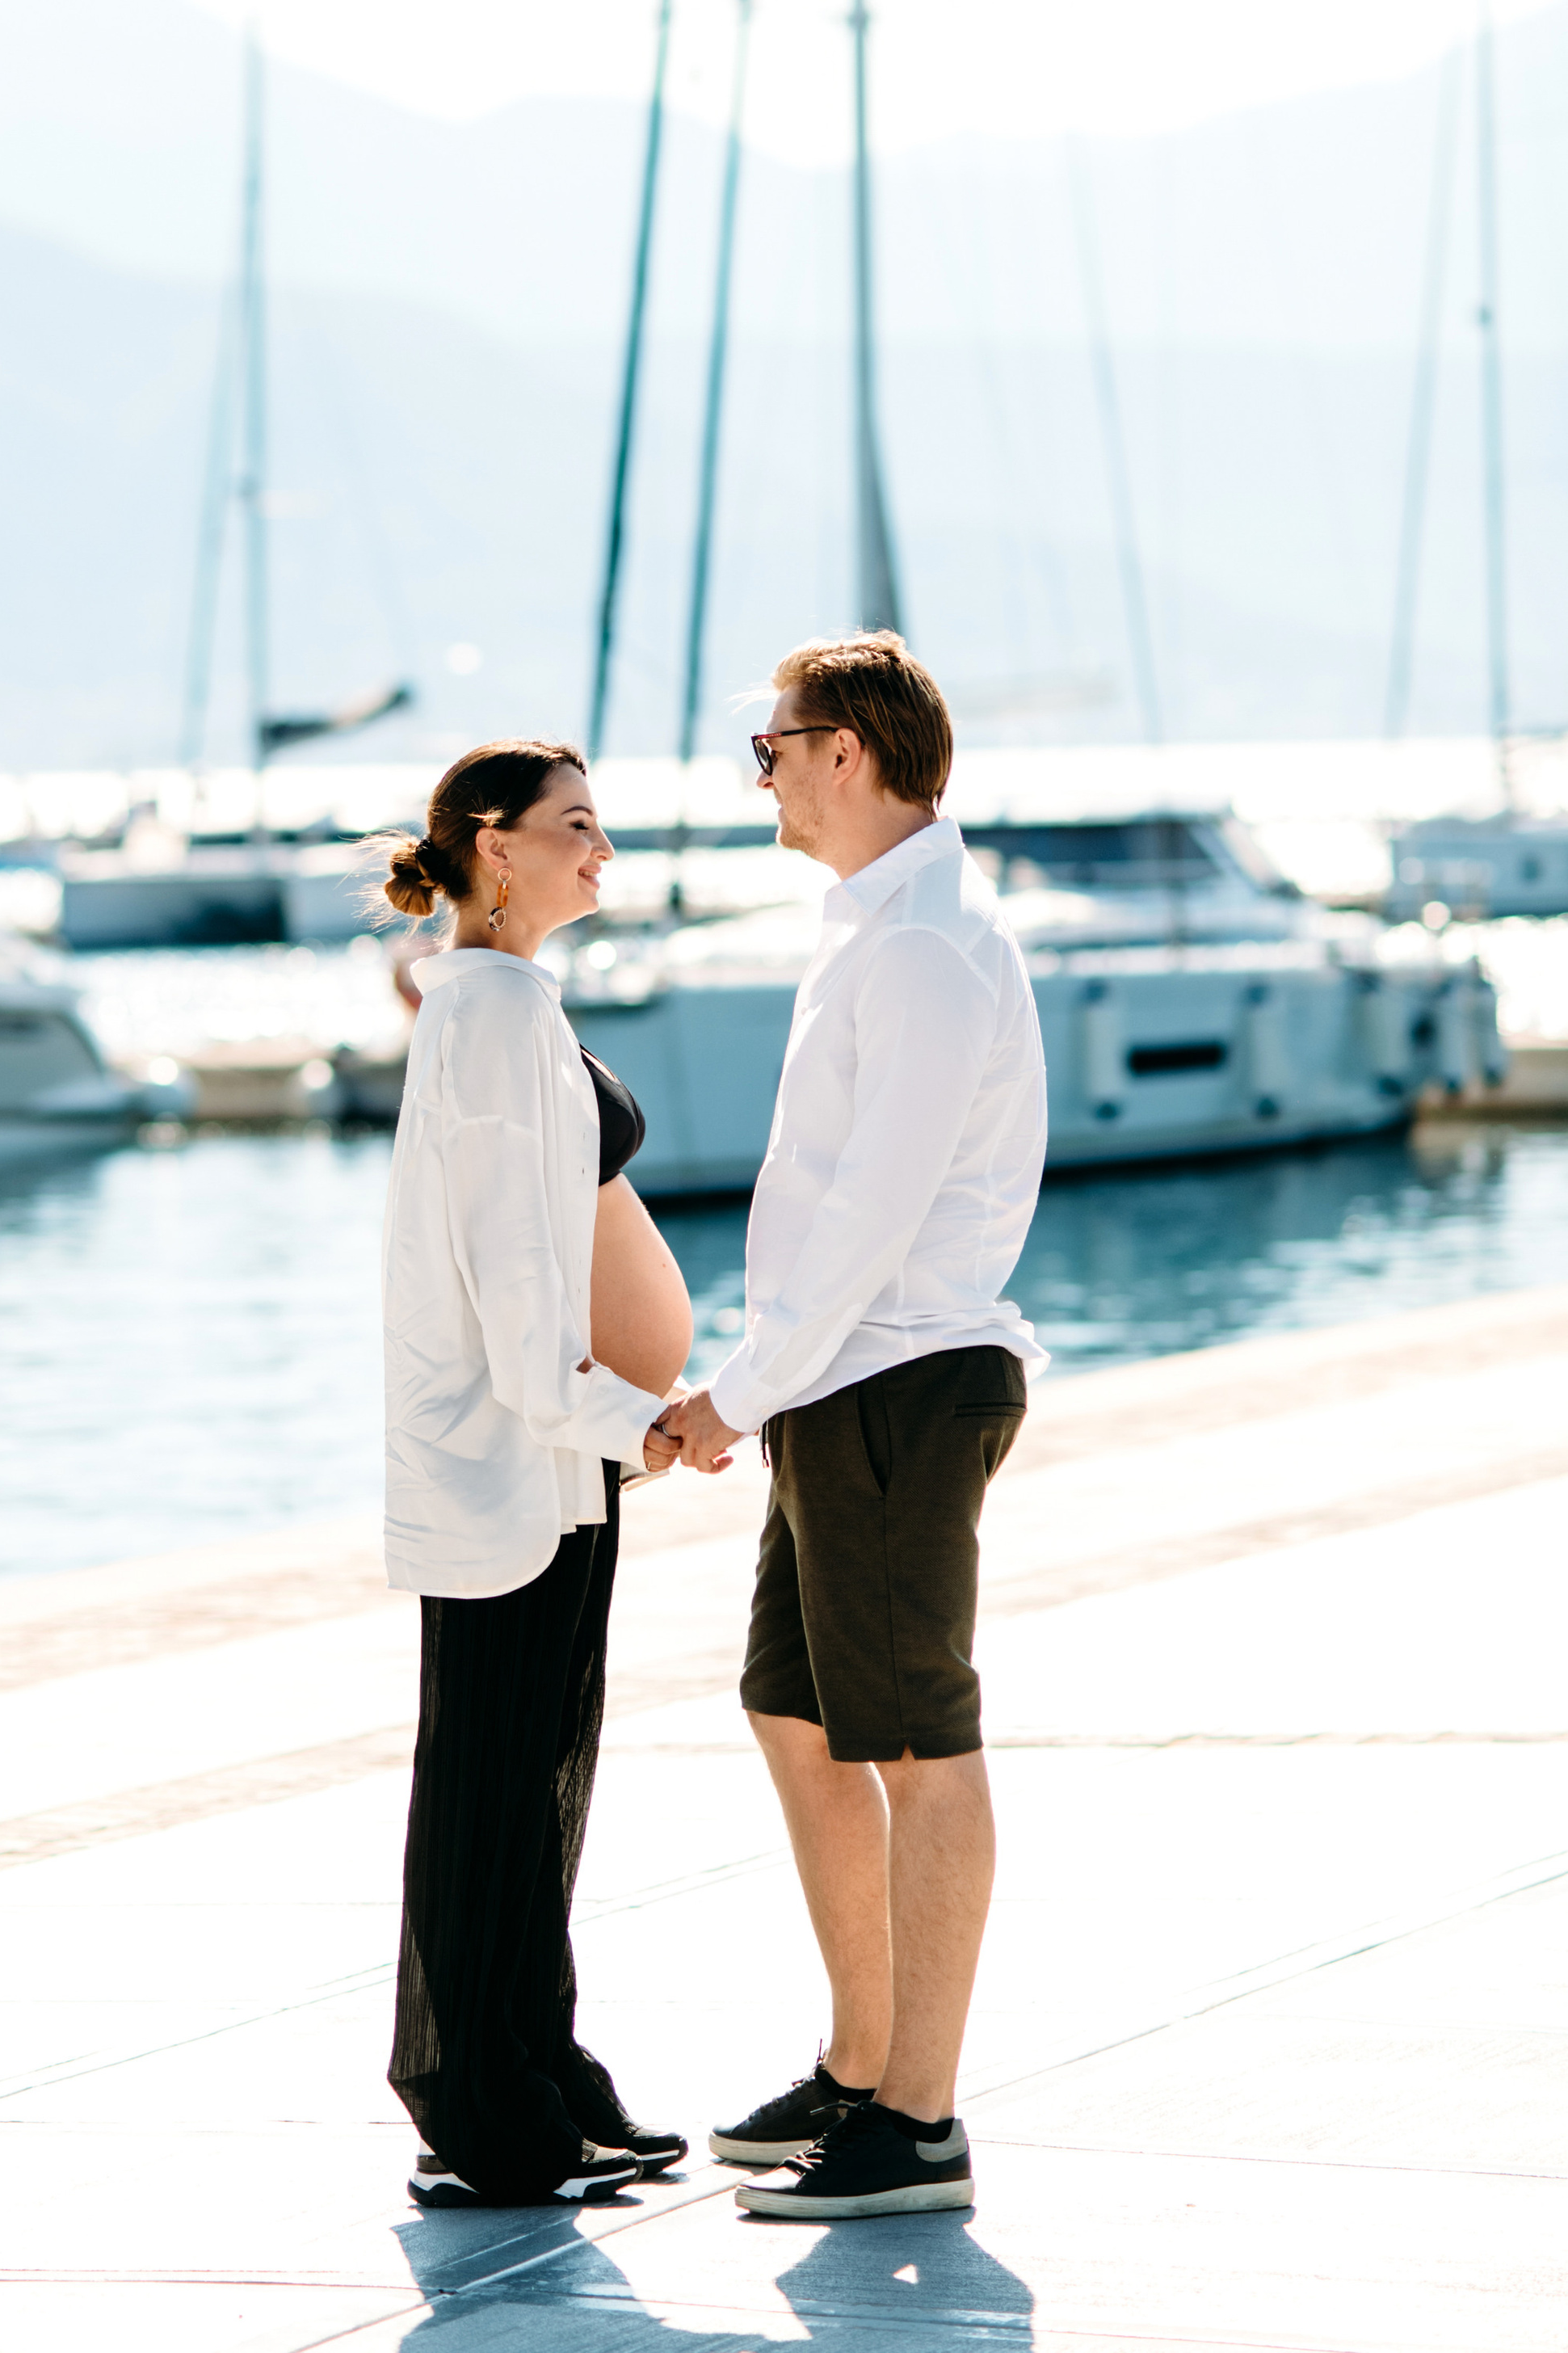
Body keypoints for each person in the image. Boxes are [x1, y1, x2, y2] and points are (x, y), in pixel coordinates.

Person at [658, 634, 1048, 2222]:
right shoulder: (875, 931)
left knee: (914, 1741)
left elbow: (874, 1222)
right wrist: (763, 1387)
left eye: (770, 747)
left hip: (893, 1373)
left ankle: (920, 2123)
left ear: (846, 752)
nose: (760, 774)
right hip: (841, 1384)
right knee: (797, 1712)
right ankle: (862, 2069)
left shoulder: (920, 949)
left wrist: (725, 1396)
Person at [380, 739, 696, 2212]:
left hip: (557, 1473)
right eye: (578, 828)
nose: (603, 853)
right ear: (494, 848)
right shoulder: (494, 1017)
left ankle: (531, 2075)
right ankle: (481, 2104)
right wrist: (640, 1422)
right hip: (525, 1468)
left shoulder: (495, 1002)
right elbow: (517, 1313)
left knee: (531, 1788)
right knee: (495, 1791)